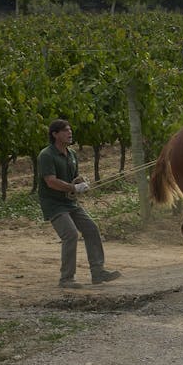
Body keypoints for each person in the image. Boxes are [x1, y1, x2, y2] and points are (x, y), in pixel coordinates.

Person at [37, 118, 121, 290]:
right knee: (70, 234)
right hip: (53, 203)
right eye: (65, 130)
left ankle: (98, 272)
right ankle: (66, 278)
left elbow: (74, 178)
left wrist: (81, 183)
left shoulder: (72, 154)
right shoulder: (46, 155)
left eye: (70, 130)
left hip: (69, 202)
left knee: (91, 229)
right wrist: (74, 187)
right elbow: (51, 182)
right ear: (55, 134)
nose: (70, 133)